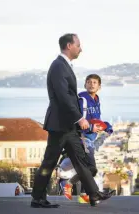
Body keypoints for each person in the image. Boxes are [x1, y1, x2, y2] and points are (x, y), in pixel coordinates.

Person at [30, 33, 112, 208]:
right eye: (78, 45)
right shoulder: (59, 66)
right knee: (49, 162)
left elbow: (68, 96)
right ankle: (37, 198)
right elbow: (63, 96)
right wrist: (80, 117)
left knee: (80, 160)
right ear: (69, 46)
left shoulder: (64, 66)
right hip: (60, 125)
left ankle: (93, 192)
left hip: (68, 126)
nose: (80, 49)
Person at [59, 74, 114, 204]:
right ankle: (69, 183)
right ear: (85, 85)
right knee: (91, 168)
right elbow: (76, 118)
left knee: (84, 167)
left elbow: (95, 120)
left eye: (94, 82)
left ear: (99, 86)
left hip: (90, 138)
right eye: (88, 82)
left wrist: (107, 126)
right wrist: (90, 127)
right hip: (82, 138)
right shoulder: (82, 100)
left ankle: (89, 196)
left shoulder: (96, 100)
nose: (91, 84)